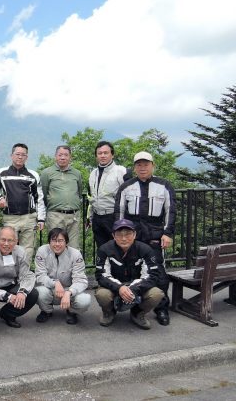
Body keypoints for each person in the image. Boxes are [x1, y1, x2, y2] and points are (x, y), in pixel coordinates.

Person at [114, 151, 175, 326]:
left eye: (146, 164)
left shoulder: (164, 185)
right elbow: (119, 212)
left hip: (155, 233)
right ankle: (134, 306)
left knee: (159, 273)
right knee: (131, 271)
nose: (142, 168)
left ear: (152, 165)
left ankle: (162, 308)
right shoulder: (126, 187)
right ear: (134, 167)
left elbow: (171, 211)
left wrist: (168, 233)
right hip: (132, 233)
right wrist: (120, 234)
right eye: (139, 165)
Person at [95, 219, 165, 330]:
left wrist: (133, 288)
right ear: (113, 235)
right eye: (119, 234)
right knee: (102, 294)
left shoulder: (146, 250)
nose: (124, 238)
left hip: (138, 287)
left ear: (135, 234)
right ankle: (109, 312)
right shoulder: (104, 250)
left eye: (128, 234)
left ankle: (137, 313)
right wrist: (120, 288)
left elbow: (152, 276)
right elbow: (101, 275)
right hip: (113, 287)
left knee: (156, 294)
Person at [0, 226, 39, 329]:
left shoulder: (21, 252)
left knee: (32, 294)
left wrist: (22, 292)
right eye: (3, 240)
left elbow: (26, 276)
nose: (6, 244)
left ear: (16, 241)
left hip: (11, 285)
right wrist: (7, 296)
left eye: (10, 240)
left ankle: (8, 314)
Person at [0, 143, 46, 263]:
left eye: (23, 155)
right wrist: (0, 198)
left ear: (27, 157)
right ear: (11, 155)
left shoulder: (33, 175)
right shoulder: (2, 173)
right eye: (17, 154)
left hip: (29, 217)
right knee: (7, 246)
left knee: (27, 248)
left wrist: (41, 219)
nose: (20, 157)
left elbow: (39, 198)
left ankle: (24, 273)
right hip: (10, 217)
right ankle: (8, 273)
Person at [34, 228, 91, 325]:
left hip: (69, 290)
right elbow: (40, 275)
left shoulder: (75, 254)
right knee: (38, 292)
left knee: (85, 300)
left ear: (66, 242)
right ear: (49, 242)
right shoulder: (42, 251)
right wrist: (55, 283)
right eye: (54, 240)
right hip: (50, 289)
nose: (57, 244)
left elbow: (81, 280)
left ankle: (71, 312)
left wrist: (69, 292)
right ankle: (46, 311)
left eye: (60, 241)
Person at [40, 146, 83, 249]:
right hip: (55, 215)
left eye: (66, 155)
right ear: (55, 157)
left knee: (73, 246)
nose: (63, 157)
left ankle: (72, 265)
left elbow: (79, 192)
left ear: (70, 157)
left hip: (74, 216)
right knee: (56, 245)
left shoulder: (77, 173)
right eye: (60, 155)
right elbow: (43, 193)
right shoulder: (47, 172)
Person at [88, 141, 129, 249]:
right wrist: (90, 218)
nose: (102, 155)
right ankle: (103, 266)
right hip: (97, 217)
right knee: (101, 249)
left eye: (106, 153)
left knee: (118, 248)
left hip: (113, 216)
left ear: (112, 154)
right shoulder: (93, 173)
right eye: (99, 153)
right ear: (96, 156)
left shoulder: (121, 171)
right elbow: (91, 197)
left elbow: (129, 196)